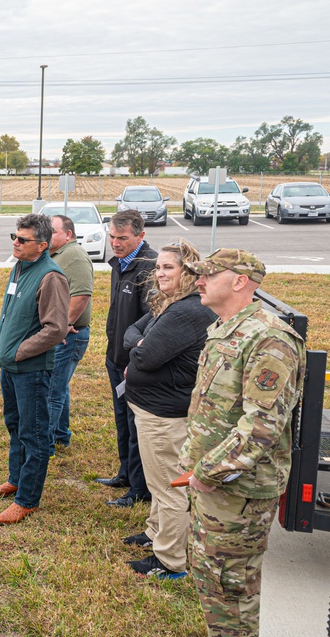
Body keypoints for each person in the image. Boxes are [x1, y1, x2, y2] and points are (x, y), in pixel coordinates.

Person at [181, 249, 304, 636]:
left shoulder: (270, 339)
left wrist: (206, 471)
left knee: (231, 589)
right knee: (211, 581)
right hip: (216, 487)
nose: (198, 281)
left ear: (238, 282)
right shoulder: (225, 327)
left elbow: (261, 428)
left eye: (207, 275)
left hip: (239, 493)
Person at [120, 241, 217, 579]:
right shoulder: (170, 305)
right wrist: (141, 343)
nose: (160, 273)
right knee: (158, 479)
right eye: (158, 267)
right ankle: (155, 534)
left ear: (187, 271)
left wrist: (140, 348)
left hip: (164, 416)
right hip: (154, 409)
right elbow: (131, 333)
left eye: (168, 268)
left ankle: (170, 561)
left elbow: (145, 357)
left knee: (168, 487)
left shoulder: (186, 311)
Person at [0, 214, 69, 524]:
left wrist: (19, 352)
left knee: (34, 434)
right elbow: (9, 312)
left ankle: (27, 499)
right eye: (14, 237)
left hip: (30, 369)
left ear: (43, 245)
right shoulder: (20, 266)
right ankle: (16, 479)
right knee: (14, 424)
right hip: (10, 364)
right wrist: (1, 345)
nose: (15, 243)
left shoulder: (51, 277)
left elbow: (56, 329)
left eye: (23, 239)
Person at [95, 209, 157, 507]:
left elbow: (151, 320)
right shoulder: (120, 263)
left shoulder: (150, 267)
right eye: (112, 237)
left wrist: (135, 358)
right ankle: (125, 473)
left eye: (122, 238)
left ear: (140, 236)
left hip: (135, 362)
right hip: (115, 357)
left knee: (136, 427)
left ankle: (139, 488)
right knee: (122, 421)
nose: (115, 243)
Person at [46, 214, 94, 456]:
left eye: (53, 231)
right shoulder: (59, 254)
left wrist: (64, 324)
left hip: (69, 335)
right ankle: (60, 436)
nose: (48, 235)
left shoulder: (73, 255)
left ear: (68, 234)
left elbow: (82, 294)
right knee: (59, 386)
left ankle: (45, 445)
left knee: (52, 390)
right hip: (63, 334)